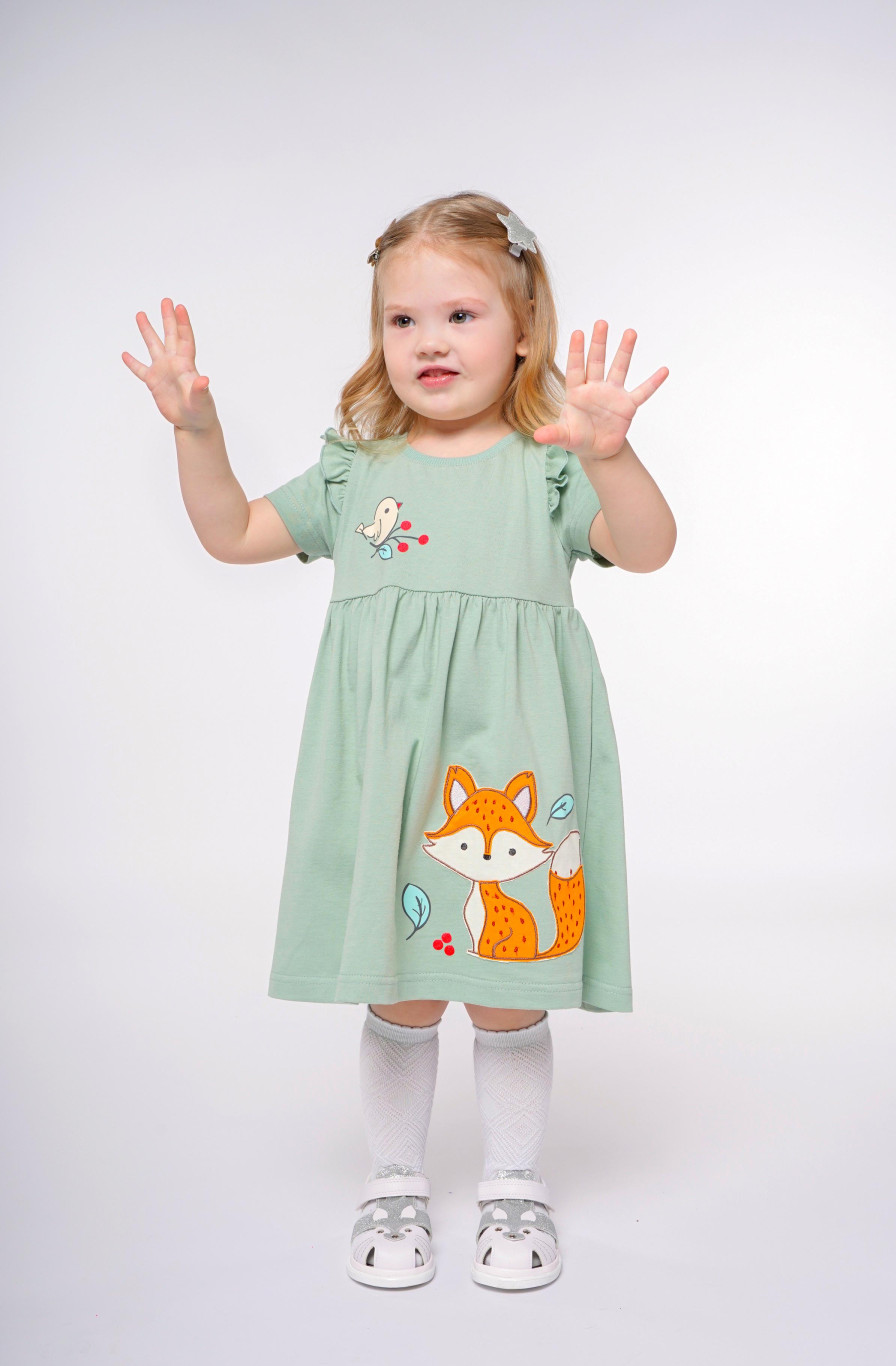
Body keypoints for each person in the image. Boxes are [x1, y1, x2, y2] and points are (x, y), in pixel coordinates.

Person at [123, 191, 676, 1292]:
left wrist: (614, 456)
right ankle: (393, 1181)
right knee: (404, 990)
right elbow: (232, 532)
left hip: (505, 783)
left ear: (525, 328)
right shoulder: (357, 471)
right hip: (392, 781)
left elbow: (649, 547)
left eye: (462, 315)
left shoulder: (549, 465)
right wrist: (196, 431)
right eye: (403, 319)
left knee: (508, 988)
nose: (431, 341)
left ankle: (514, 1182)